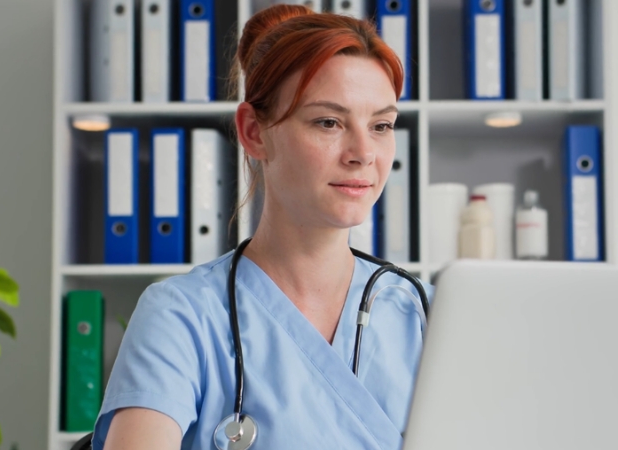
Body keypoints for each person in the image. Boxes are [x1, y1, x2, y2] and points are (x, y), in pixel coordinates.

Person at [92, 4, 432, 449]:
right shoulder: (182, 316)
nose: (364, 153)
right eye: (329, 122)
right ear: (254, 132)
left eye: (381, 125)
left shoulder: (426, 315)